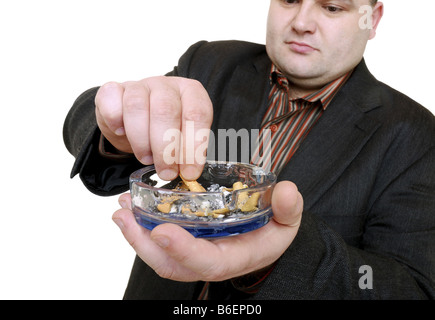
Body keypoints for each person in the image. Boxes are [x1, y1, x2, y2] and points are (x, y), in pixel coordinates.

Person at [63, 0, 435, 299]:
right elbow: (95, 119)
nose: (301, 22)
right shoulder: (210, 64)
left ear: (372, 19)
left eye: (332, 7)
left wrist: (274, 260)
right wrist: (116, 128)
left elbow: (409, 289)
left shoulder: (415, 134)